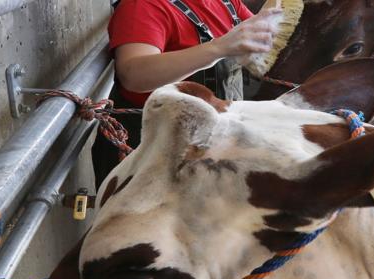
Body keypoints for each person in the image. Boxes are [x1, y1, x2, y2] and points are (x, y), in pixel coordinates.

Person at [92, 0, 279, 181]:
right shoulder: (142, 6)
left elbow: (269, 46)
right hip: (151, 154)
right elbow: (134, 75)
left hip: (212, 146)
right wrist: (217, 48)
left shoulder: (227, 3)